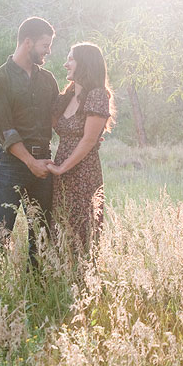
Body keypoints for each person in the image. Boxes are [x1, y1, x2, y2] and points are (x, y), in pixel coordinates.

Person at [0, 16, 59, 267]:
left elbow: (59, 117)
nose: (48, 51)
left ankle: (37, 295)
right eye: (45, 45)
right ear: (28, 42)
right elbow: (6, 132)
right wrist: (30, 162)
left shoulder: (48, 79)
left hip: (44, 163)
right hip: (10, 165)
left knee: (42, 236)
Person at [48, 43, 115, 255]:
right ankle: (61, 279)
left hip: (83, 172)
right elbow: (46, 124)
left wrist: (61, 168)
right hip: (61, 170)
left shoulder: (97, 95)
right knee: (60, 227)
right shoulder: (67, 96)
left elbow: (87, 141)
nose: (65, 64)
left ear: (83, 63)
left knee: (82, 231)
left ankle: (84, 281)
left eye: (71, 59)